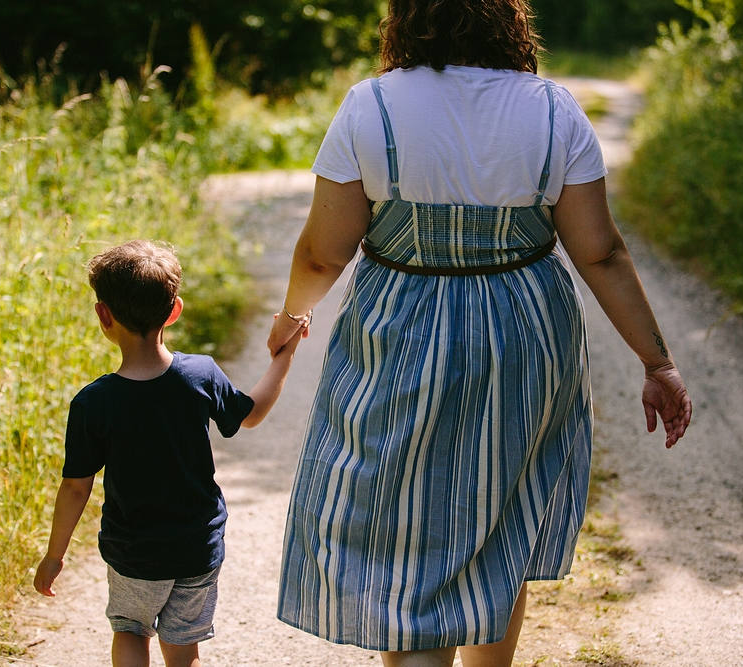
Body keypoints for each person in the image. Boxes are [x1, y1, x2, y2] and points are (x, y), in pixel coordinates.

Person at [266, 1, 692, 665]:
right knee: (501, 509)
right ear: (507, 20)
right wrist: (656, 360)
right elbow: (600, 251)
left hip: (396, 334)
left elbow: (325, 252)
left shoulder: (370, 106)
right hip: (523, 334)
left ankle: (418, 651)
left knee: (401, 515)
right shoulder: (553, 109)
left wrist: (293, 312)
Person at [33, 239, 302, 667]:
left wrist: (55, 555)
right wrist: (285, 355)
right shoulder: (199, 375)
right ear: (174, 311)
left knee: (129, 629)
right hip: (196, 547)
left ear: (104, 315)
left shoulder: (93, 402)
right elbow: (249, 416)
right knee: (183, 652)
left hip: (133, 552)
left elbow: (74, 487)